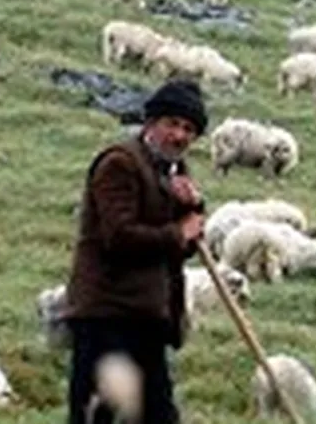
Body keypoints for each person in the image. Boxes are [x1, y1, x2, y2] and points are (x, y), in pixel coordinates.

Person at [63, 79, 209, 424]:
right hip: (107, 318)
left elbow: (180, 249)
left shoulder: (172, 173)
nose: (180, 135)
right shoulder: (120, 164)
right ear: (151, 123)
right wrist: (179, 232)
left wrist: (193, 207)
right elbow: (119, 238)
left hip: (148, 320)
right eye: (172, 123)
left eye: (189, 129)